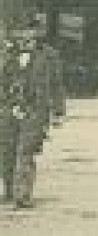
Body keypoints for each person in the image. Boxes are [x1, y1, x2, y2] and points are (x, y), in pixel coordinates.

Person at [1, 20, 65, 208]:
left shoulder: (49, 56)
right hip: (8, 110)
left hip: (35, 110)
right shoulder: (8, 54)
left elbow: (56, 84)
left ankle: (23, 195)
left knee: (26, 151)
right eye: (21, 32)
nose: (25, 36)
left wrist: (58, 112)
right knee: (7, 151)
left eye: (29, 31)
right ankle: (10, 191)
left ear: (38, 33)